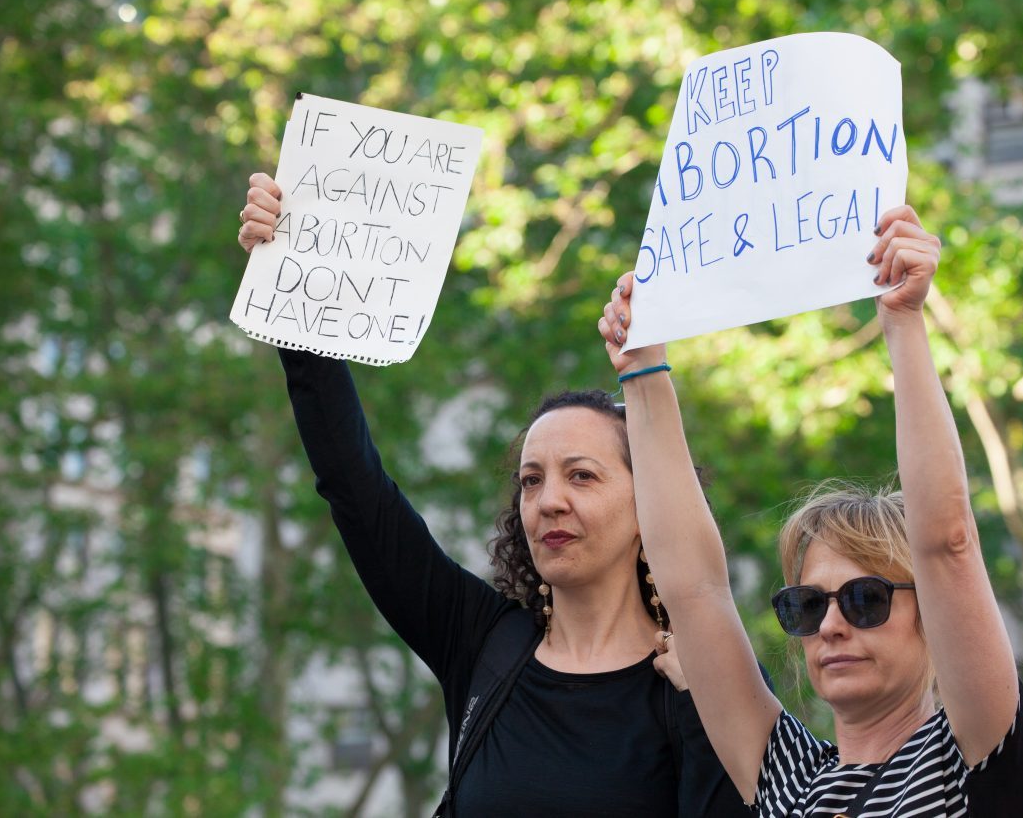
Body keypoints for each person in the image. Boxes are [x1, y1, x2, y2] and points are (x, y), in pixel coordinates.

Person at [236, 173, 753, 817]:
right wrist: (296, 281)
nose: (548, 501)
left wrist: (700, 710)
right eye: (531, 480)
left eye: (582, 475)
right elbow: (354, 488)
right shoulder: (484, 644)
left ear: (651, 503)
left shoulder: (697, 691)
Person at [597, 205, 1023, 816]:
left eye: (865, 598)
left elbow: (948, 542)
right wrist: (643, 368)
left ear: (930, 612)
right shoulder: (787, 781)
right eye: (805, 606)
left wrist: (903, 320)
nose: (831, 626)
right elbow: (694, 591)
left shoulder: (967, 762)